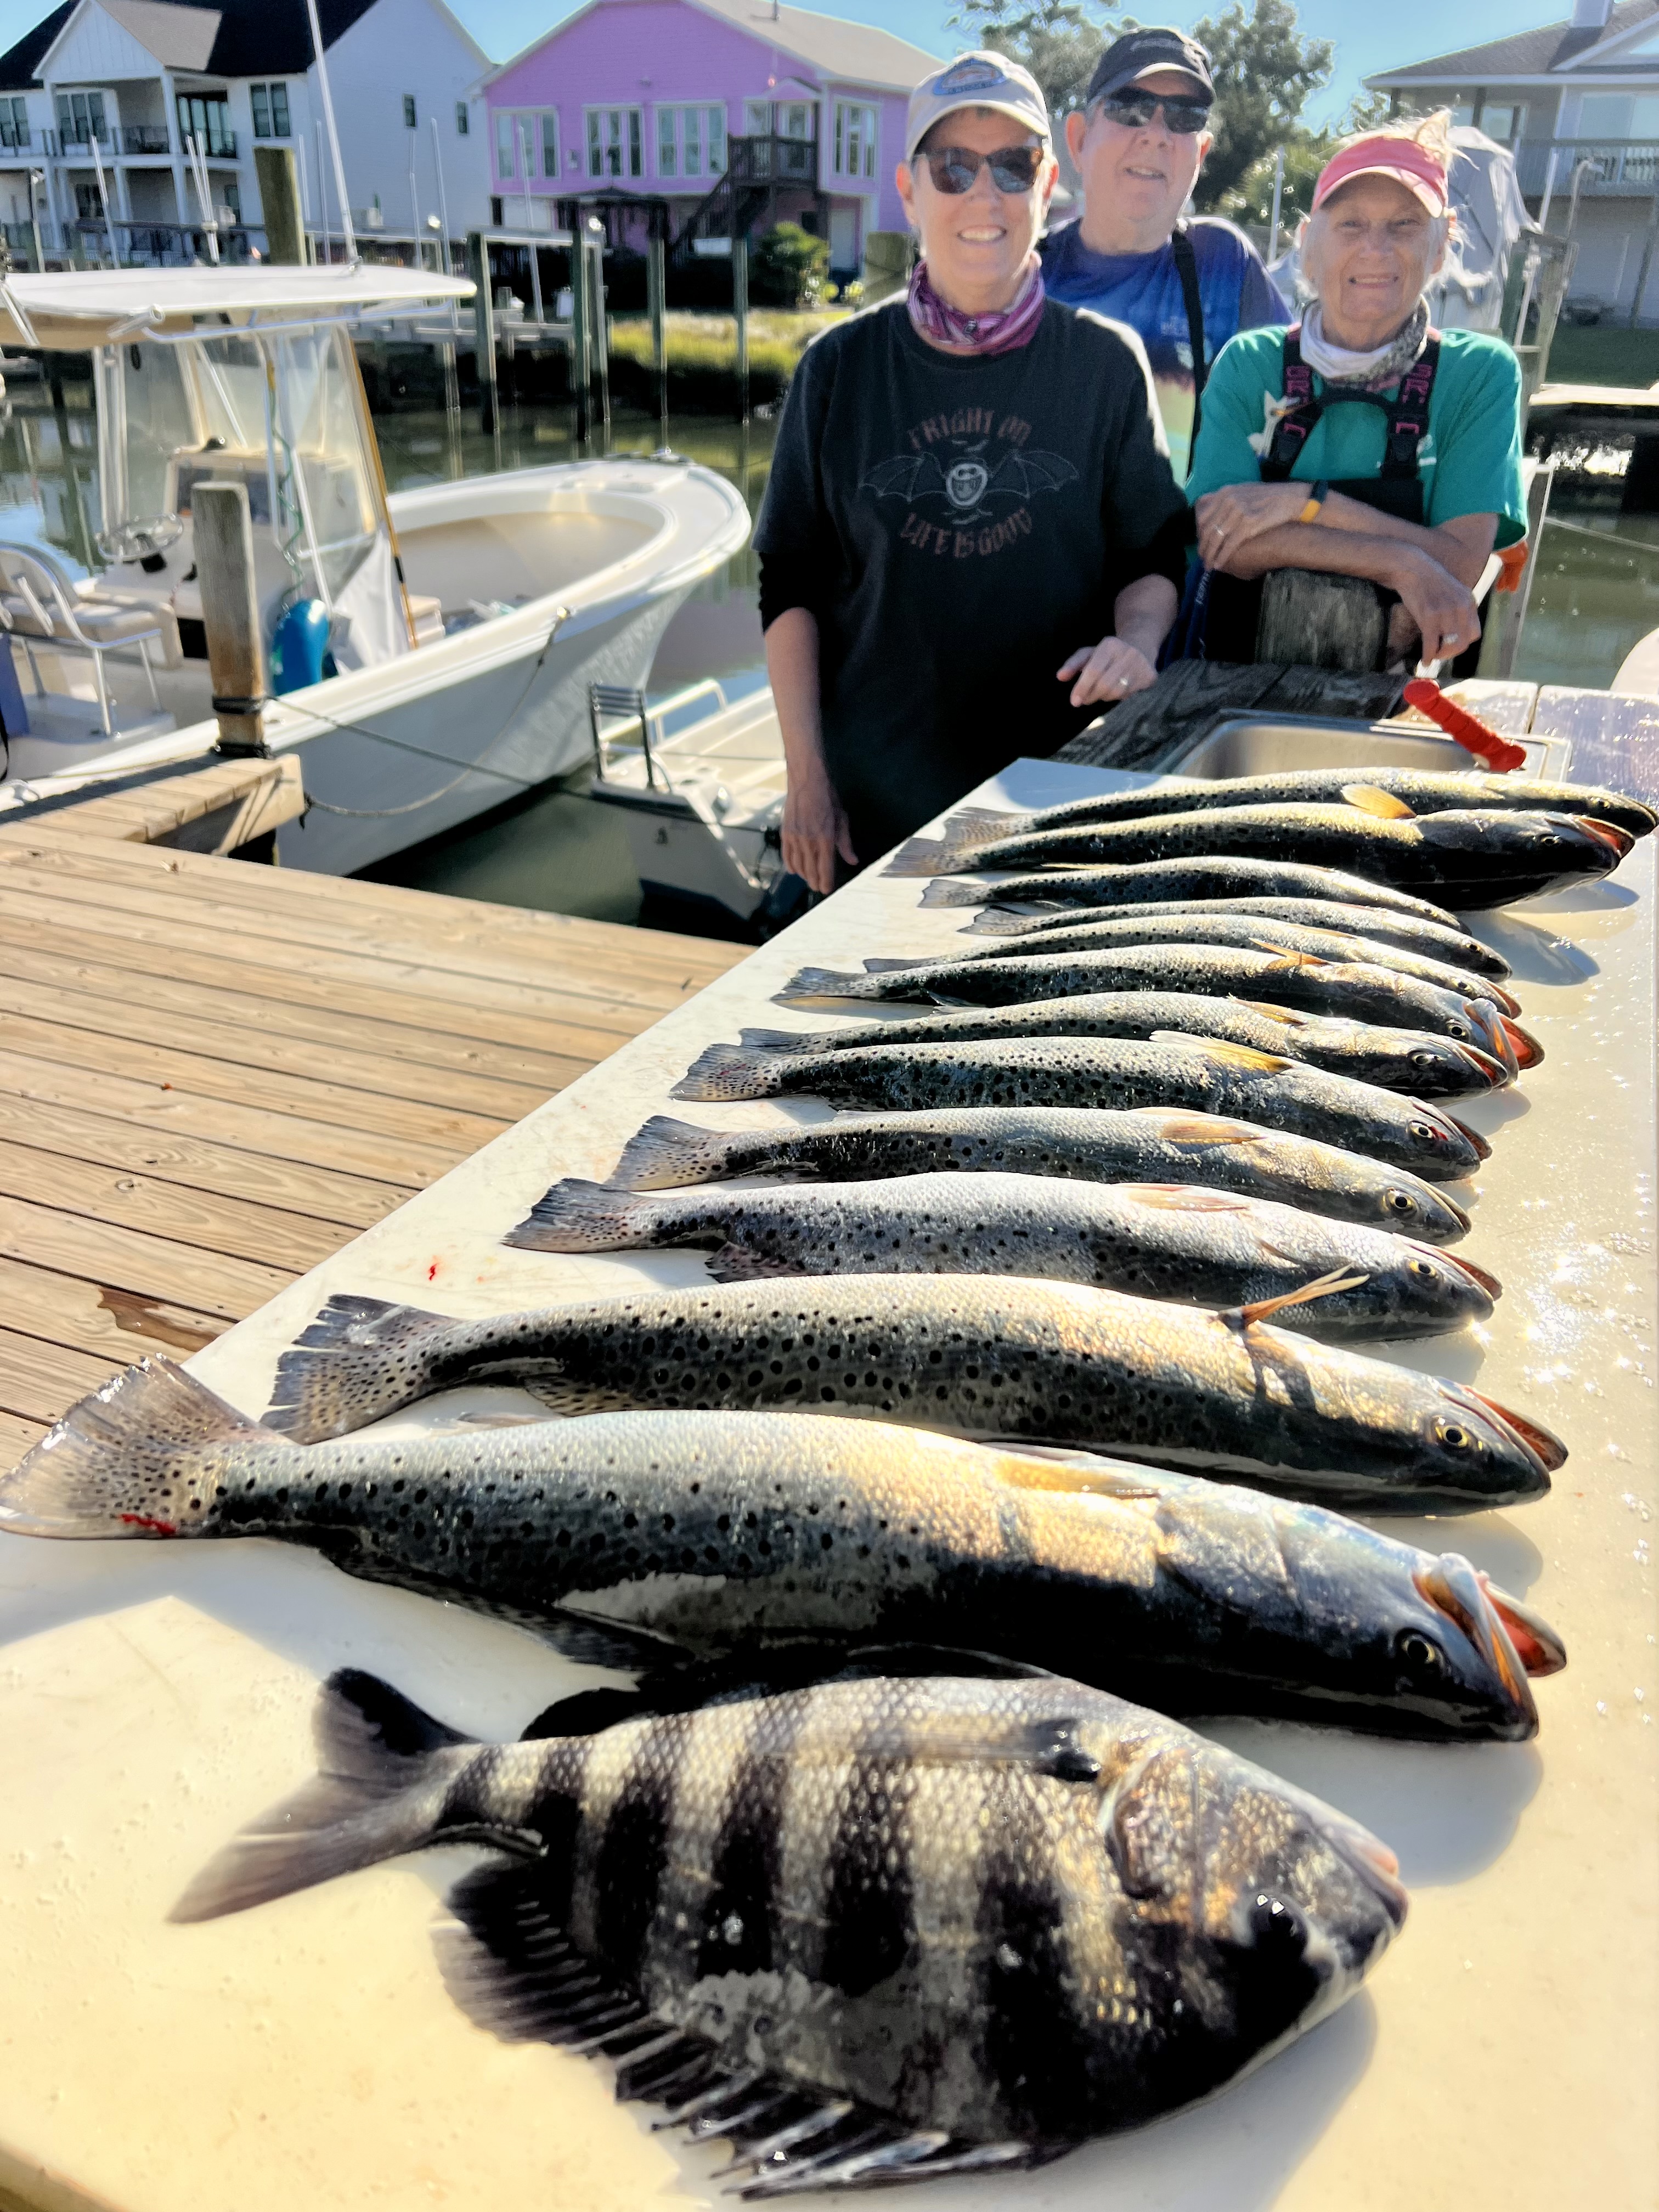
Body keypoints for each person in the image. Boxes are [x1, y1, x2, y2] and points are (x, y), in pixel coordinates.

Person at [755, 50, 1187, 894]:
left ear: (1048, 181)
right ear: (910, 191)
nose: (984, 194)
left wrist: (1136, 643)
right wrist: (806, 780)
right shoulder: (837, 368)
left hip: (1052, 808)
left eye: (1012, 166)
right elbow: (788, 584)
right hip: (870, 815)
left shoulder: (1106, 366)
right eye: (952, 168)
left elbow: (1154, 555)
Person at [1182, 113, 1527, 672]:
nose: (1376, 249)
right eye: (1351, 225)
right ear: (1308, 245)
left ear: (1440, 248)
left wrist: (1306, 504)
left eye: (1404, 225)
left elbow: (1462, 563)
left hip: (1399, 698)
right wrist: (1402, 562)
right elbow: (1224, 542)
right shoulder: (1250, 363)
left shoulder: (1480, 374)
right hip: (1231, 693)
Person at [1042, 26, 1288, 481]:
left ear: (1201, 153)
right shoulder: (1025, 274)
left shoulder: (1224, 266)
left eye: (1184, 117)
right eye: (1130, 107)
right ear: (1077, 140)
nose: (1156, 134)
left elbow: (1297, 412)